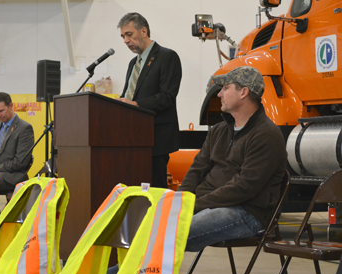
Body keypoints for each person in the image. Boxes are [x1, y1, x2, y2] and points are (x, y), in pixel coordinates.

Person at [177, 66, 287, 251]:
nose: (219, 94)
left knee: (170, 232)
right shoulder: (219, 130)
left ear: (243, 92)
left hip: (246, 212)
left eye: (225, 88)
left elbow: (243, 188)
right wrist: (178, 201)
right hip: (211, 206)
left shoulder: (266, 135)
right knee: (153, 224)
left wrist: (194, 205)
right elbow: (197, 169)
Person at [116, 12, 182, 188]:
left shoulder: (167, 57)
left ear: (143, 31)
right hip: (132, 137)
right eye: (123, 36)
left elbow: (167, 97)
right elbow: (128, 94)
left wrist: (136, 105)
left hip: (155, 138)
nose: (125, 41)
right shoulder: (133, 63)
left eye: (129, 35)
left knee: (155, 189)